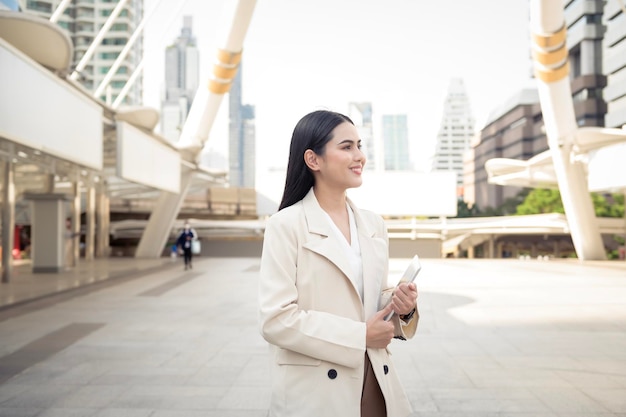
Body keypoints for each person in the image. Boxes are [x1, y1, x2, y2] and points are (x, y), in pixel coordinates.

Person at [258, 110, 419, 417]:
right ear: (313, 159)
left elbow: (369, 305)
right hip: (316, 391)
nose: (360, 156)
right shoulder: (285, 225)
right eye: (347, 147)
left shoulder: (374, 224)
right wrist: (359, 336)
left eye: (359, 145)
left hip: (374, 379)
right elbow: (275, 320)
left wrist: (401, 306)